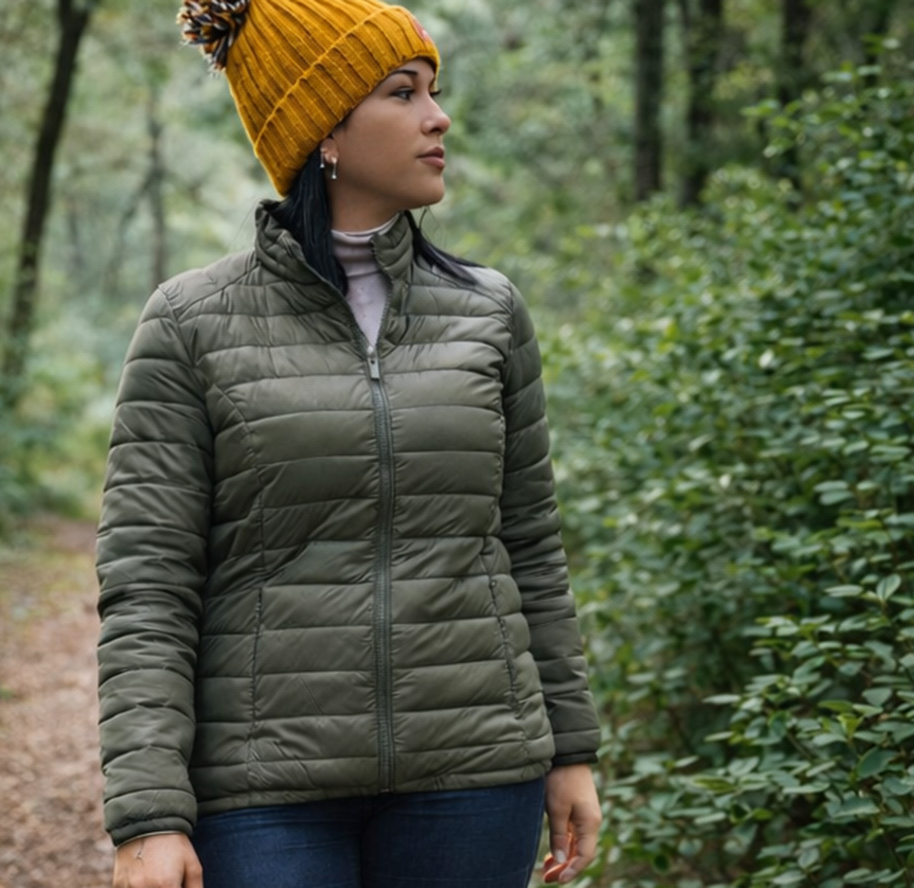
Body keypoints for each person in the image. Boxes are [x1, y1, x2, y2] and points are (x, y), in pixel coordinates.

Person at [96, 1, 603, 886]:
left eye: (434, 91)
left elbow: (529, 543)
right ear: (322, 131)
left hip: (477, 770)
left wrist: (570, 747)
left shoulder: (487, 312)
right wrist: (147, 813)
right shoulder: (190, 324)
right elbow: (149, 586)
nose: (437, 117)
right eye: (402, 93)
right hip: (263, 789)